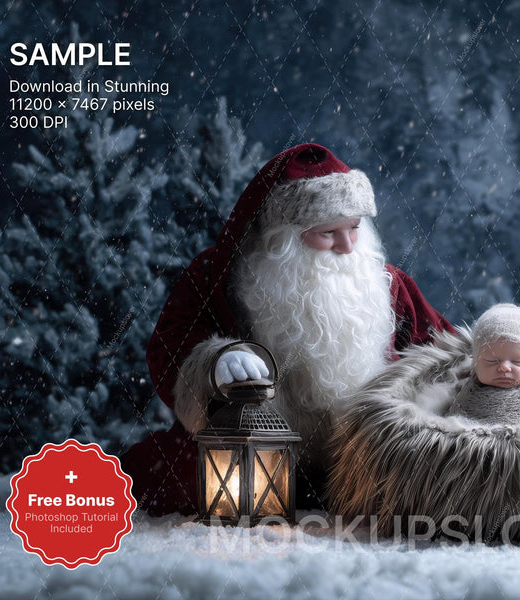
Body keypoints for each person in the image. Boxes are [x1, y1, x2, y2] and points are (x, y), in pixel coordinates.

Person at [122, 143, 454, 514]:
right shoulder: (220, 277)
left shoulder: (387, 284)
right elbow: (171, 346)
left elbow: (444, 352)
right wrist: (214, 361)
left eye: (355, 228)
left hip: (363, 469)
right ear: (284, 237)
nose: (347, 246)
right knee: (172, 478)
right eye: (328, 233)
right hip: (253, 463)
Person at [448, 304, 520, 428]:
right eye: (491, 361)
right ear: (475, 365)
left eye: (517, 361)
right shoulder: (464, 394)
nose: (504, 368)